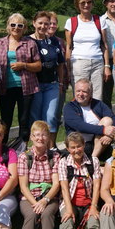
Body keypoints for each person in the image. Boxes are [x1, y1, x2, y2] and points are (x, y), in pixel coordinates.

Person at [16, 121, 61, 229]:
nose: (40, 138)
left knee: (47, 214)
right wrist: (35, 203)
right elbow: (23, 186)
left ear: (48, 137)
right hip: (29, 198)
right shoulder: (24, 157)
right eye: (37, 135)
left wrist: (45, 200)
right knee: (31, 215)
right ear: (31, 137)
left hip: (49, 196)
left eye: (43, 134)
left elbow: (56, 184)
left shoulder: (54, 157)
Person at [0, 13, 42, 143]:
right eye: (13, 25)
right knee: (5, 120)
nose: (16, 28)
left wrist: (23, 65)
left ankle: (22, 149)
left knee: (24, 120)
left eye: (20, 25)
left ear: (24, 28)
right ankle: (4, 149)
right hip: (5, 87)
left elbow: (38, 65)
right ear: (8, 26)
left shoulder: (30, 44)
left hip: (26, 88)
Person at [56, 132, 103, 229]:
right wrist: (69, 210)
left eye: (79, 146)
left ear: (83, 146)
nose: (77, 150)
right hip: (70, 202)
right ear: (68, 148)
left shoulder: (93, 161)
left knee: (94, 222)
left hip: (89, 202)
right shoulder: (64, 162)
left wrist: (94, 207)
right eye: (73, 147)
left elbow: (97, 186)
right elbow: (64, 187)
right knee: (67, 222)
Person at [65, 0, 110, 102]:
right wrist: (68, 67)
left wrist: (106, 66)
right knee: (80, 97)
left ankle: (95, 119)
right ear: (77, 4)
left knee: (97, 97)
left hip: (97, 63)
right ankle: (80, 119)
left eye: (89, 2)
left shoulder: (100, 21)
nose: (86, 5)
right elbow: (69, 47)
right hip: (79, 63)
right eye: (83, 3)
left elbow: (104, 45)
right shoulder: (71, 22)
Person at [62, 78, 115, 159]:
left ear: (90, 93)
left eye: (84, 91)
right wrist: (104, 130)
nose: (81, 94)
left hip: (97, 143)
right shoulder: (69, 107)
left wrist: (110, 134)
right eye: (78, 91)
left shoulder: (98, 104)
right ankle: (92, 160)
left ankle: (93, 159)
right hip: (78, 144)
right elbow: (79, 126)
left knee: (107, 120)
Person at [29, 11, 65, 139]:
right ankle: (35, 149)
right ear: (34, 23)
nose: (43, 26)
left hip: (52, 84)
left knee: (50, 116)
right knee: (35, 117)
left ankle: (50, 148)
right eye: (40, 23)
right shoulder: (28, 41)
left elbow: (60, 63)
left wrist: (60, 82)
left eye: (46, 23)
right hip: (34, 85)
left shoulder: (54, 41)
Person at [48, 11, 69, 144]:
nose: (51, 25)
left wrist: (64, 82)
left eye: (54, 23)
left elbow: (66, 63)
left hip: (60, 83)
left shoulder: (62, 42)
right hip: (42, 83)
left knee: (55, 115)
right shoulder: (35, 41)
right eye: (49, 23)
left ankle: (52, 145)